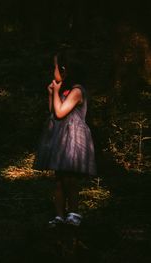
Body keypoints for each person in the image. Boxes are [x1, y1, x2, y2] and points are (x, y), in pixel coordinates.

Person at [34, 51, 97, 227]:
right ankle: (59, 216)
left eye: (55, 67)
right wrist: (52, 94)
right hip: (61, 136)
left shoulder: (77, 91)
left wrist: (56, 91)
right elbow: (53, 112)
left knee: (70, 177)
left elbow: (61, 112)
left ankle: (74, 213)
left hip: (73, 137)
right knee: (59, 178)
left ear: (65, 70)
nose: (52, 70)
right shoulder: (65, 90)